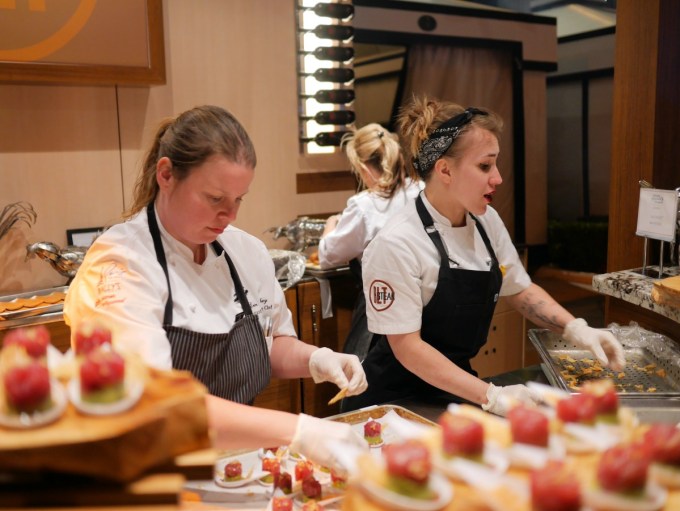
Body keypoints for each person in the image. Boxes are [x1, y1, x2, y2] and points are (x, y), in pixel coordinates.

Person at [64, 105, 368, 466]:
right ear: (166, 175)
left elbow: (271, 344)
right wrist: (300, 430)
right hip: (153, 469)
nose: (230, 215)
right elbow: (153, 400)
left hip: (240, 462)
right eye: (214, 199)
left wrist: (317, 359)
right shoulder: (120, 262)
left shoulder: (246, 252)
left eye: (239, 199)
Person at [342, 95, 626, 415]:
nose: (498, 177)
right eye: (484, 165)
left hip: (454, 387)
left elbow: (519, 289)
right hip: (392, 402)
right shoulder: (398, 242)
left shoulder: (484, 220)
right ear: (445, 170)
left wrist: (577, 328)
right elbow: (408, 348)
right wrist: (491, 396)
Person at [317, 123, 422, 362]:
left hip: (381, 302)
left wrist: (330, 227)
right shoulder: (421, 191)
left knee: (363, 377)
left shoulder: (365, 205)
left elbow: (328, 256)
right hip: (425, 301)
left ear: (363, 168)